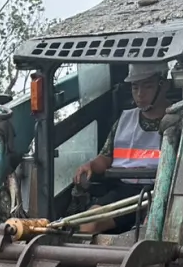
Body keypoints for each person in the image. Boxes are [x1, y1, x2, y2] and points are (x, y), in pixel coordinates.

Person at [72, 61, 172, 233]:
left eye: (147, 87)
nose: (140, 94)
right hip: (125, 192)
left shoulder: (180, 119)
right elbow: (106, 156)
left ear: (164, 85)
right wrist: (90, 166)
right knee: (89, 221)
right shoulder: (125, 120)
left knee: (154, 230)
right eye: (135, 88)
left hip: (163, 190)